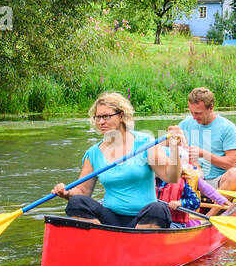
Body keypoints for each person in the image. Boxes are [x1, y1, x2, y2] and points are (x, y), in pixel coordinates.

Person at [51, 92, 182, 229]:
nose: (101, 122)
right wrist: (67, 193)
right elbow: (83, 192)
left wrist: (174, 149)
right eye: (98, 117)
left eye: (106, 116)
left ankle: (136, 242)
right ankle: (104, 239)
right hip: (110, 219)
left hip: (143, 218)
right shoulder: (93, 153)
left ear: (121, 116)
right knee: (76, 203)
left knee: (158, 210)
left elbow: (171, 177)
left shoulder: (145, 142)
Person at [178, 87, 236, 195]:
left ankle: (213, 211)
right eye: (191, 112)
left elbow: (231, 163)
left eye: (198, 113)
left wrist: (203, 154)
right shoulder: (187, 123)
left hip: (216, 182)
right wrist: (171, 137)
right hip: (191, 179)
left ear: (211, 107)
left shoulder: (227, 127)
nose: (194, 117)